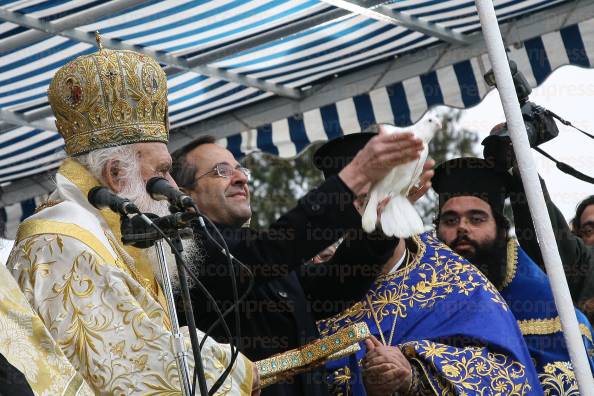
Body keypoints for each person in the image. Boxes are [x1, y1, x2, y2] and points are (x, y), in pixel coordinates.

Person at [6, 36, 256, 395]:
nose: (171, 183)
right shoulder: (59, 243)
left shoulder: (114, 236)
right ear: (116, 176)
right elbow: (129, 370)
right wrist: (230, 367)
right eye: (163, 169)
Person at [171, 129, 423, 395]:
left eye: (240, 169)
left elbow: (333, 287)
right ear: (184, 195)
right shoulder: (188, 253)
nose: (241, 178)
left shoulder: (253, 247)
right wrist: (352, 180)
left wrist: (380, 226)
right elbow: (271, 251)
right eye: (221, 171)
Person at [313, 134, 542, 395]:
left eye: (371, 196)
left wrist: (414, 376)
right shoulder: (318, 295)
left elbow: (508, 377)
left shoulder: (457, 280)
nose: (364, 211)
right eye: (349, 202)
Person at [432, 157, 594, 394]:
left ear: (500, 229)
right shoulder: (416, 299)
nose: (462, 228)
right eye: (450, 220)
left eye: (476, 219)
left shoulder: (557, 319)